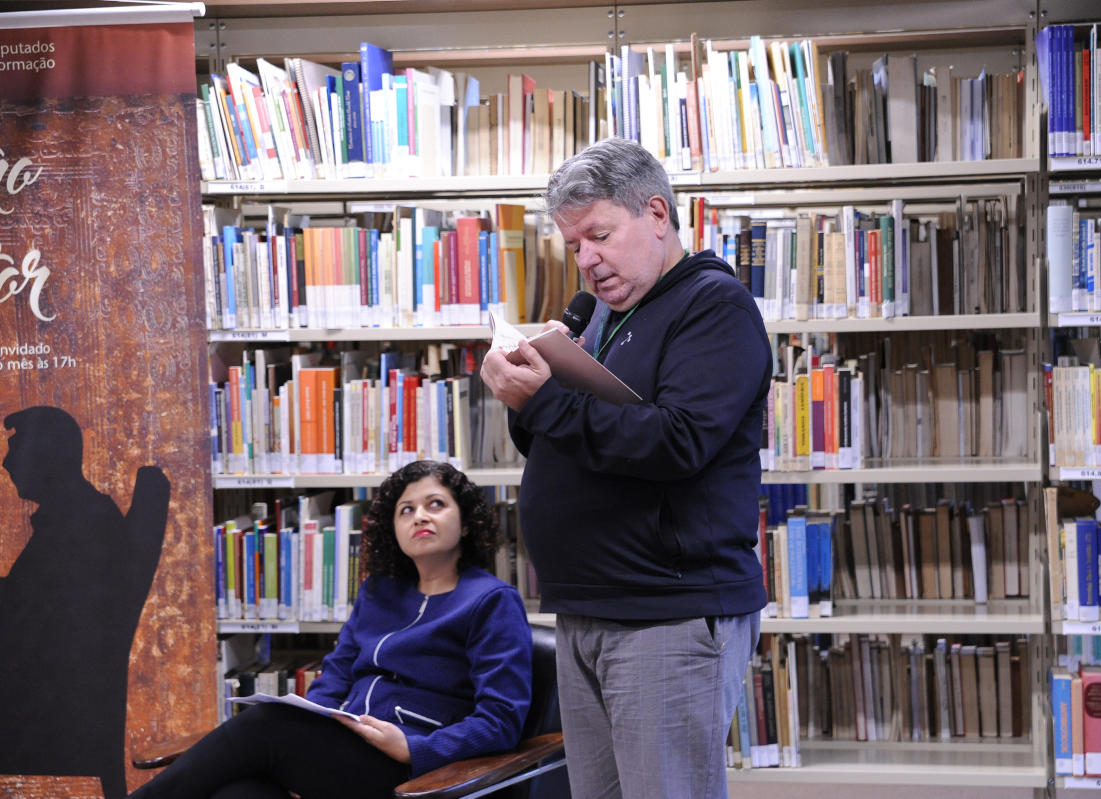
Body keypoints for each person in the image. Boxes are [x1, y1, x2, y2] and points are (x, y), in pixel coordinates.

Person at [480, 137, 770, 799]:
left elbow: (678, 441)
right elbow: (572, 444)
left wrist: (548, 401)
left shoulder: (713, 308)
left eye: (600, 235)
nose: (587, 260)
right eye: (574, 245)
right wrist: (528, 403)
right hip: (587, 609)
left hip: (664, 612)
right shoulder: (606, 316)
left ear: (658, 214)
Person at [130, 460, 533, 799]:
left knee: (266, 726)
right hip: (350, 749)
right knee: (237, 793)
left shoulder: (492, 601)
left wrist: (414, 747)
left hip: (417, 772)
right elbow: (336, 675)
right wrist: (317, 721)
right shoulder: (379, 593)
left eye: (435, 504)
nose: (420, 516)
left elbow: (501, 719)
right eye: (406, 510)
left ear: (465, 523)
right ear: (393, 529)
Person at [0, 405, 169, 799]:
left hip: (47, 714)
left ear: (46, 456)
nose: (6, 462)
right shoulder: (81, 516)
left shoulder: (79, 526)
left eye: (14, 449)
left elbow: (29, 623)